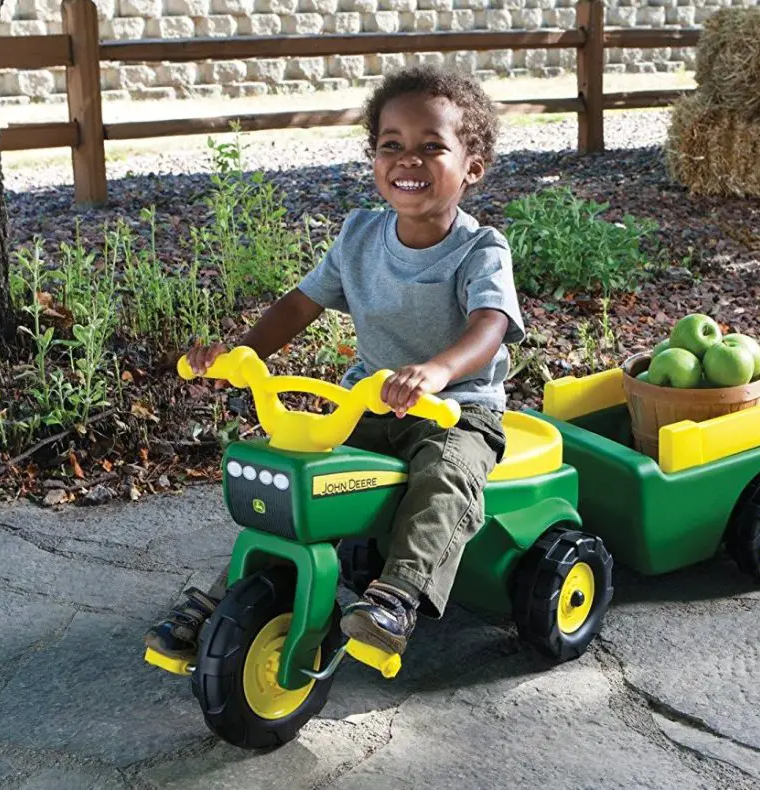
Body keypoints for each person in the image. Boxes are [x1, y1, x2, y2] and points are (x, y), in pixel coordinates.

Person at [144, 64, 524, 661]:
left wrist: (439, 372)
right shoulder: (359, 236)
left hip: (455, 410)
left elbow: (490, 326)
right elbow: (301, 302)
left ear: (471, 166)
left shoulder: (481, 250)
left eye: (432, 147)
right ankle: (233, 592)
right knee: (299, 479)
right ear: (373, 158)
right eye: (391, 146)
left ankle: (396, 599)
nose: (408, 161)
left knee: (445, 478)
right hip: (366, 403)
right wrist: (242, 355)